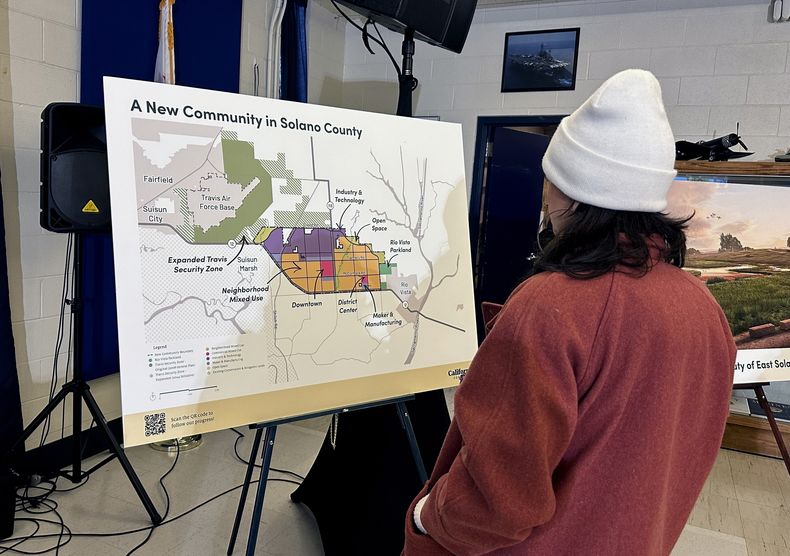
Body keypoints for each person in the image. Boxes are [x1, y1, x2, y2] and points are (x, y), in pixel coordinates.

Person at [402, 69, 736, 556]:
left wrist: (426, 516)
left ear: (566, 188)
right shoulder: (702, 305)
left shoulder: (550, 308)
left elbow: (496, 501)